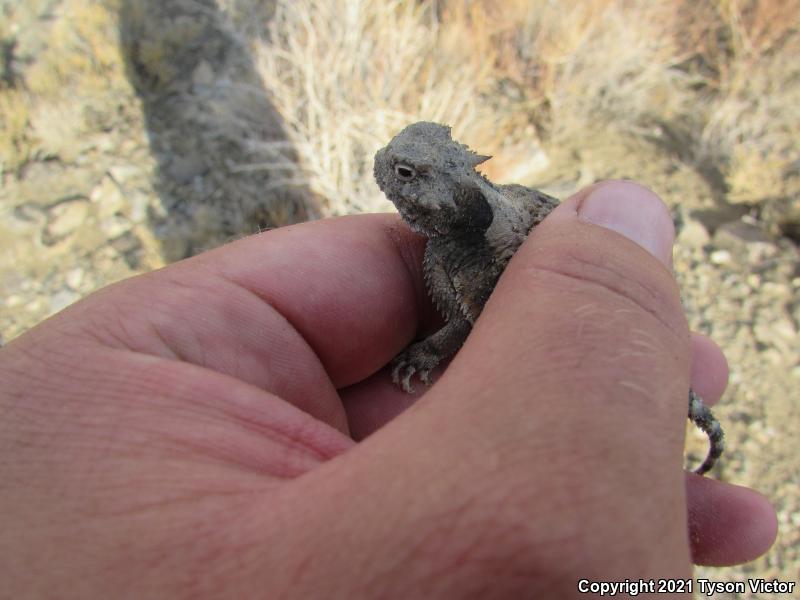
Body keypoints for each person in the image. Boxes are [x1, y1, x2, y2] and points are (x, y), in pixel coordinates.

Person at [0, 181, 776, 597]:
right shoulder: (439, 250)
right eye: (403, 171)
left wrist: (438, 352)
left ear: (443, 200)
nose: (393, 178)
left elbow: (475, 321)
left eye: (410, 177)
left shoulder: (465, 255)